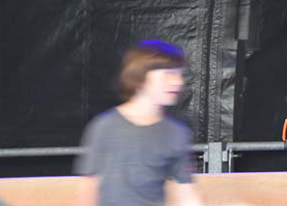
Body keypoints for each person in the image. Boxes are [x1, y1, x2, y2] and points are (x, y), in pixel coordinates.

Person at [74, 40, 202, 206]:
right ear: (141, 75)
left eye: (179, 74)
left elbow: (186, 193)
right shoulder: (104, 127)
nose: (178, 82)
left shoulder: (177, 133)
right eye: (168, 73)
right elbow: (88, 189)